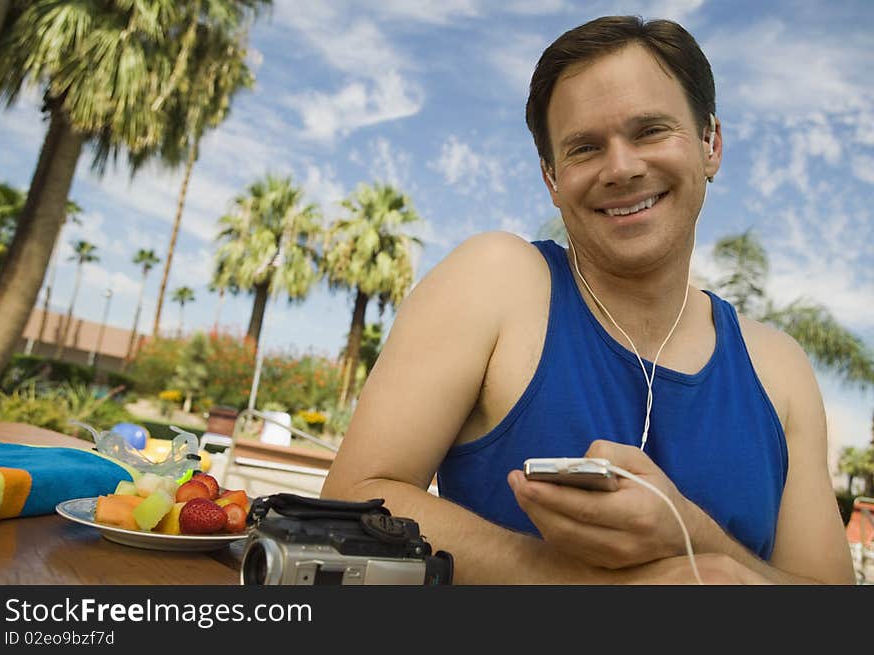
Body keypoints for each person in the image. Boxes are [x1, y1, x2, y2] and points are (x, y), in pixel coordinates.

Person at [321, 16, 856, 585]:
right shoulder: (496, 280)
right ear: (552, 179)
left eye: (650, 131)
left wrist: (694, 538)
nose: (621, 168)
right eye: (585, 148)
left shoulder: (780, 369)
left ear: (710, 144)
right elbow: (355, 500)